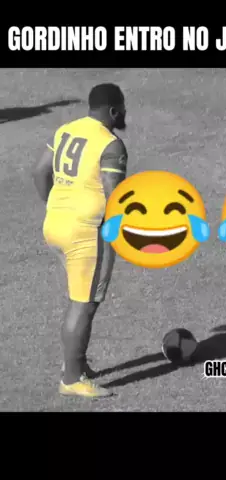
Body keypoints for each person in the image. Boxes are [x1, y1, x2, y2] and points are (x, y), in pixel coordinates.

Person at [33, 83, 128, 398]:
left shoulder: (66, 130)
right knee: (83, 303)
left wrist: (55, 205)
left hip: (55, 225)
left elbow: (40, 171)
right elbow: (115, 194)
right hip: (86, 232)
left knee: (80, 296)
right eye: (122, 109)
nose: (124, 114)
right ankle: (72, 379)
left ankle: (77, 363)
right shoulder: (111, 144)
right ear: (113, 111)